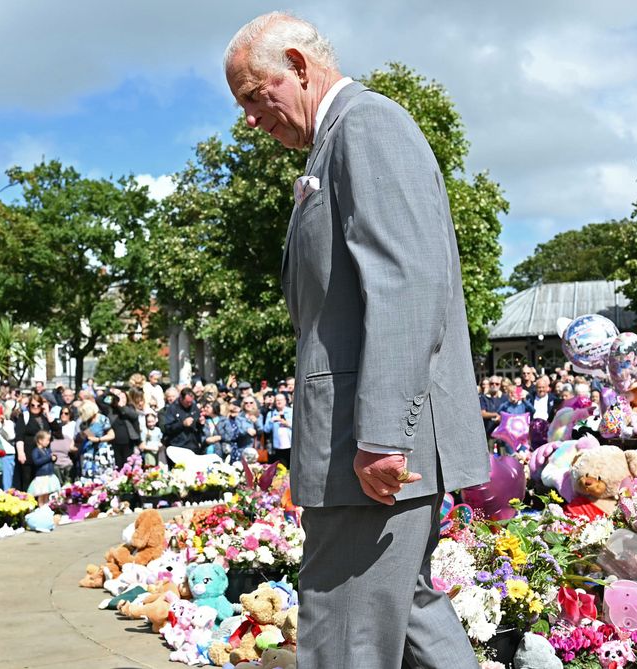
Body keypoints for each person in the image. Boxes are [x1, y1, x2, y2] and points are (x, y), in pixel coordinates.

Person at [224, 13, 487, 667]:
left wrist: (380, 436)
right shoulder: (335, 142)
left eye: (255, 96)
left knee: (343, 636)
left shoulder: (365, 125)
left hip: (364, 450)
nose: (251, 119)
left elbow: (405, 284)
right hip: (360, 447)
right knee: (407, 619)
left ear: (298, 64)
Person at [160, 388, 202, 454]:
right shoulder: (172, 408)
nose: (189, 404)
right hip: (178, 446)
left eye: (191, 401)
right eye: (187, 402)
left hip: (193, 445)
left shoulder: (193, 406)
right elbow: (168, 428)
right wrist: (182, 424)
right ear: (181, 398)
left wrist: (201, 422)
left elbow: (198, 425)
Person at [27, 430, 60, 504]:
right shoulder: (36, 451)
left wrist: (54, 459)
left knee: (48, 493)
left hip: (49, 475)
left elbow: (51, 458)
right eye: (47, 440)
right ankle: (41, 507)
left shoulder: (48, 450)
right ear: (40, 440)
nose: (48, 442)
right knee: (41, 494)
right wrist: (49, 458)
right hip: (41, 477)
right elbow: (36, 462)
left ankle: (47, 507)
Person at [264, 393, 292, 467]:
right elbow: (266, 430)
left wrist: (286, 423)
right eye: (277, 400)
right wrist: (271, 421)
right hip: (277, 447)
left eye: (281, 400)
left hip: (291, 445)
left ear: (285, 401)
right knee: (281, 469)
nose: (279, 402)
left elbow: (298, 427)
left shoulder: (292, 411)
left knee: (292, 468)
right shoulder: (271, 414)